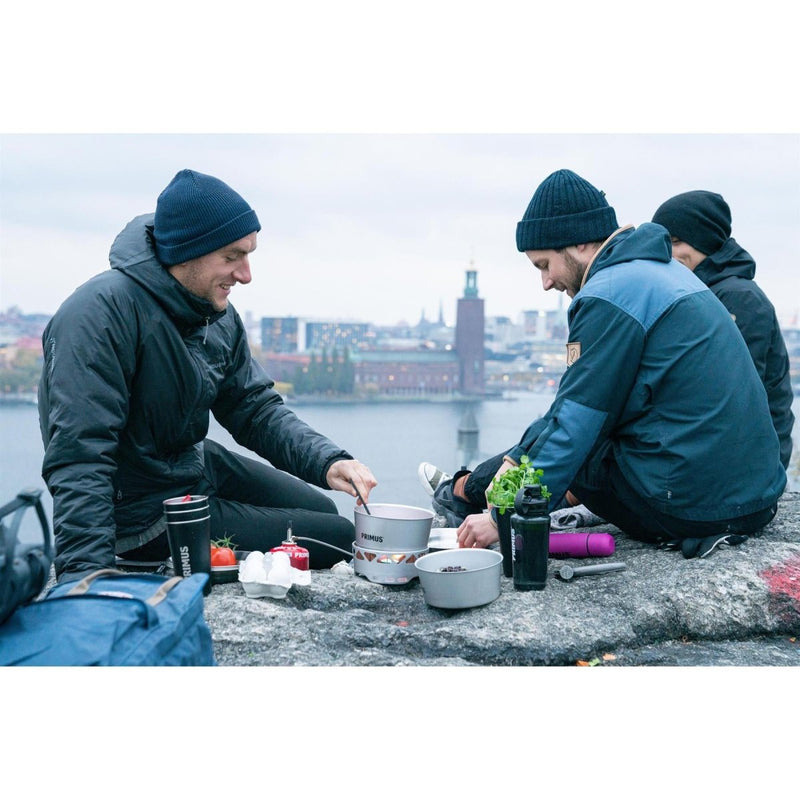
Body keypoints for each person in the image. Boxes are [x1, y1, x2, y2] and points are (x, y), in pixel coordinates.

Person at [418, 169, 786, 559]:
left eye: (544, 265)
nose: (546, 283)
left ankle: (462, 495)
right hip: (755, 501)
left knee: (581, 449)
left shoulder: (608, 294)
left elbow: (574, 426)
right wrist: (516, 462)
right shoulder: (664, 273)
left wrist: (501, 518)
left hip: (695, 509)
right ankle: (467, 491)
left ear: (578, 243)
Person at [38, 169, 377, 584]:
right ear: (186, 253)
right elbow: (80, 455)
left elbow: (253, 408)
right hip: (146, 515)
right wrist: (84, 580)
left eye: (249, 255)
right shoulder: (99, 314)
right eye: (232, 257)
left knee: (323, 509)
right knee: (337, 536)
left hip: (192, 467)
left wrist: (327, 460)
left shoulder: (213, 311)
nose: (246, 274)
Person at [652, 190, 794, 469]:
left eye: (676, 242)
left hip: (746, 467)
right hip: (731, 457)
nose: (668, 253)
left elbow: (732, 396)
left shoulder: (738, 298)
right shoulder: (703, 292)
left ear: (703, 239)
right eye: (664, 243)